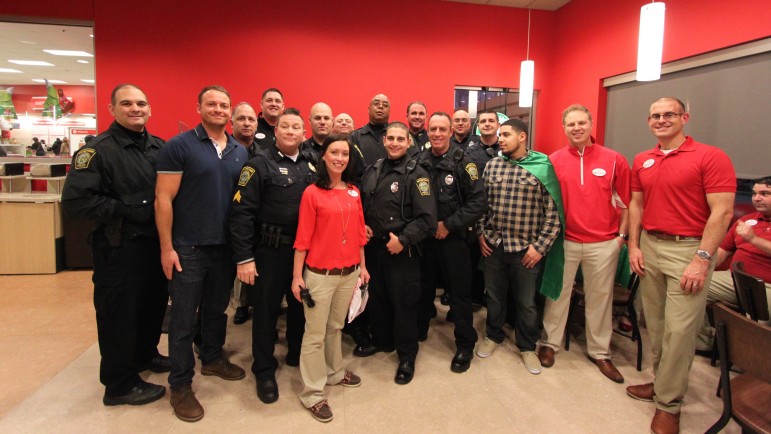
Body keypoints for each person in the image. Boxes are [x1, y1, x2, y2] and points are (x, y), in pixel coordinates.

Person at [626, 97, 735, 434]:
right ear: (648, 122)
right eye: (655, 116)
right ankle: (662, 384)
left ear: (684, 117)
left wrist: (703, 259)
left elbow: (723, 212)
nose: (661, 120)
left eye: (668, 114)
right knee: (655, 325)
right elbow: (636, 204)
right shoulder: (643, 159)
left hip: (689, 249)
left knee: (680, 331)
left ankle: (669, 405)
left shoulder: (710, 156)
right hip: (650, 246)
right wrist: (633, 245)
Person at [61, 83, 169, 407]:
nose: (135, 109)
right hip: (118, 247)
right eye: (127, 103)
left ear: (150, 109)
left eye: (141, 103)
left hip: (153, 246)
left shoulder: (159, 148)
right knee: (118, 315)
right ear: (112, 109)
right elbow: (76, 203)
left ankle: (145, 355)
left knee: (151, 307)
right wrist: (126, 209)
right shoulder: (96, 151)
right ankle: (119, 384)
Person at [155, 85, 248, 422]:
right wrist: (167, 248)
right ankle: (180, 385)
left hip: (224, 247)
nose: (218, 109)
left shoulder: (239, 150)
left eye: (224, 105)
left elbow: (242, 201)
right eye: (212, 104)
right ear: (199, 108)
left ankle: (211, 357)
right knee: (182, 319)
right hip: (188, 246)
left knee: (216, 309)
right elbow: (163, 199)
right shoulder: (179, 146)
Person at [229, 108, 317, 404]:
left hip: (304, 253)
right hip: (269, 252)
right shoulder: (258, 165)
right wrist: (244, 257)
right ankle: (264, 369)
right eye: (285, 127)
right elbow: (241, 214)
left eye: (296, 127)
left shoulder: (312, 165)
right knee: (265, 313)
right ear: (274, 131)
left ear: (304, 134)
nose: (291, 131)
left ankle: (294, 353)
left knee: (299, 307)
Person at [539, 104, 631, 383]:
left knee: (600, 299)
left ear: (591, 125)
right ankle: (549, 344)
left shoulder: (614, 159)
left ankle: (600, 352)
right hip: (564, 241)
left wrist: (622, 238)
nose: (576, 128)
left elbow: (627, 203)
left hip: (603, 243)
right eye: (571, 124)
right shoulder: (553, 160)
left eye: (581, 123)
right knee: (557, 295)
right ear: (563, 127)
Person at [291, 134, 369, 422]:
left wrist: (363, 266)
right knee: (313, 335)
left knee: (335, 327)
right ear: (323, 156)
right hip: (319, 276)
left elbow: (360, 233)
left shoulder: (353, 191)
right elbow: (303, 238)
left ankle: (334, 373)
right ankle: (312, 392)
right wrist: (296, 276)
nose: (339, 158)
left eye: (344, 154)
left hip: (348, 274)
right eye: (334, 152)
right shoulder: (312, 192)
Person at [476, 118, 563, 376]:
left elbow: (553, 213)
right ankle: (493, 335)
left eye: (505, 134)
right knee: (493, 296)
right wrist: (481, 233)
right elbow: (481, 203)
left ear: (522, 137)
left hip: (527, 249)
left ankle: (527, 346)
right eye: (499, 135)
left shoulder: (542, 167)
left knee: (526, 302)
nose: (499, 139)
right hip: (495, 245)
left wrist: (541, 247)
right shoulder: (492, 166)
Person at [360, 121, 437, 384]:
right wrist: (365, 226)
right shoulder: (373, 170)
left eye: (399, 139)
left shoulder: (419, 174)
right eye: (390, 138)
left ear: (408, 143)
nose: (394, 143)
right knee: (377, 300)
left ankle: (406, 356)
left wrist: (403, 240)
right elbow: (363, 205)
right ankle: (382, 342)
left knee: (404, 305)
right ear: (384, 141)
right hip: (375, 249)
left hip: (403, 252)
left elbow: (428, 220)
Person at [416, 112, 486, 373]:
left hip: (454, 239)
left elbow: (478, 203)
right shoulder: (418, 161)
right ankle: (420, 330)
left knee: (459, 296)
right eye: (432, 129)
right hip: (425, 239)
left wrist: (448, 225)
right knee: (423, 290)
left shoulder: (464, 162)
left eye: (441, 129)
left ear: (449, 132)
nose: (436, 133)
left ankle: (465, 344)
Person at [695, 176, 771, 352]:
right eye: (754, 194)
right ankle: (704, 341)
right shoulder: (746, 220)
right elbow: (722, 251)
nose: (756, 198)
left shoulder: (749, 231)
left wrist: (753, 239)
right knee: (693, 285)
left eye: (764, 194)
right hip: (734, 280)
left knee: (756, 339)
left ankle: (751, 365)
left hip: (767, 288)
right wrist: (701, 268)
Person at [229, 102, 260, 325]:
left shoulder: (261, 153)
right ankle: (239, 305)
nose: (247, 123)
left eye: (251, 120)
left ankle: (246, 304)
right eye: (241, 119)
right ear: (232, 122)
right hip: (227, 217)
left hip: (252, 218)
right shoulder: (224, 150)